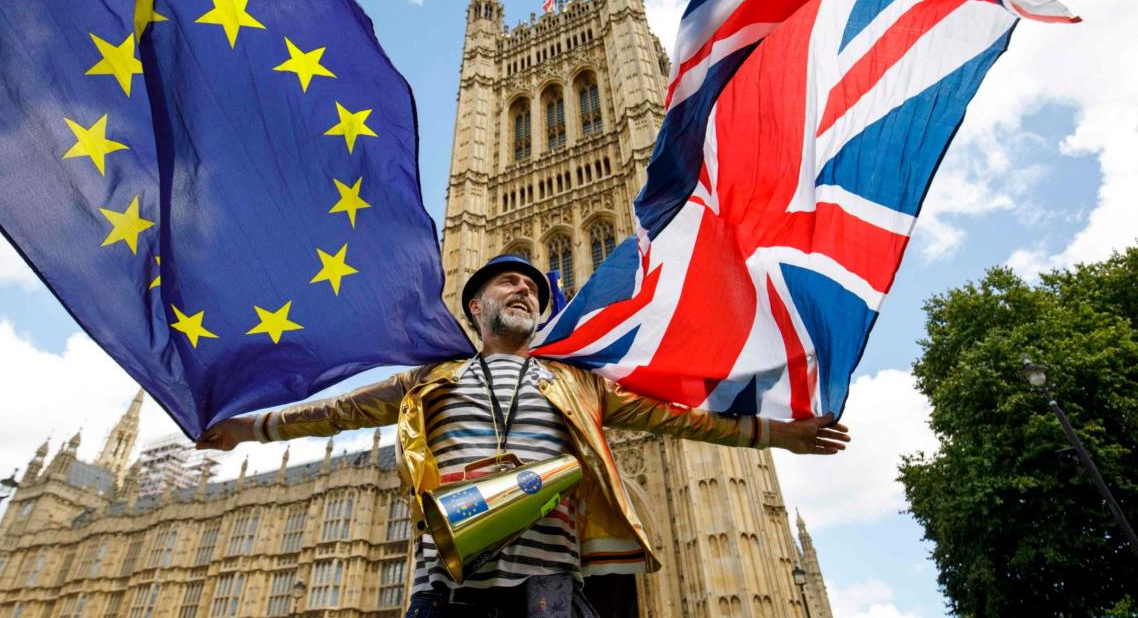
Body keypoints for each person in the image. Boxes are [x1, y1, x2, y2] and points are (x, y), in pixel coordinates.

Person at [197, 255, 850, 617]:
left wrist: (774, 433)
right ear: (475, 307)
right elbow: (337, 412)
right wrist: (248, 427)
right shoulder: (432, 377)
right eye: (508, 283)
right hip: (446, 589)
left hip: (549, 589)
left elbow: (677, 418)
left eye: (534, 290)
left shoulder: (577, 381)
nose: (526, 292)